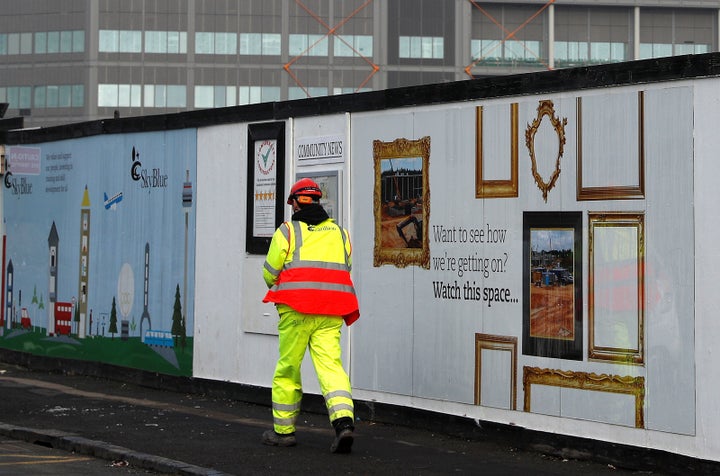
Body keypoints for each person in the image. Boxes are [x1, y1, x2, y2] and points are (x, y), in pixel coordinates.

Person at [261, 178, 360, 454]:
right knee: (331, 368)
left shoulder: (288, 231)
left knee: (288, 369)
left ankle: (284, 432)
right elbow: (345, 266)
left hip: (296, 310)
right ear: (318, 201)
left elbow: (269, 272)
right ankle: (343, 424)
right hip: (330, 311)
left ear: (295, 203)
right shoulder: (340, 233)